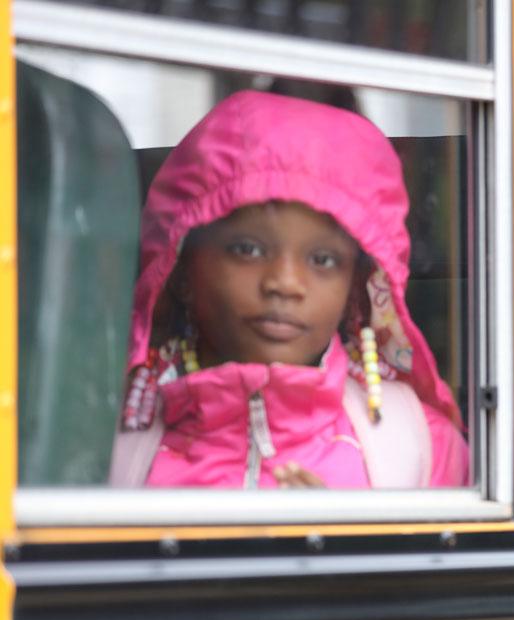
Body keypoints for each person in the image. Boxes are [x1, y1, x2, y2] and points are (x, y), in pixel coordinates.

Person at [109, 90, 469, 489]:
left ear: (356, 286)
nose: (285, 283)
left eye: (323, 260)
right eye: (247, 250)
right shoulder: (114, 443)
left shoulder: (420, 447)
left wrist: (346, 548)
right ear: (180, 269)